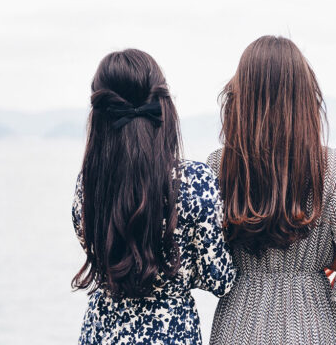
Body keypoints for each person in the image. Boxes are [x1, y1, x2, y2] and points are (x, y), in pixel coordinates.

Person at [206, 36, 336, 345]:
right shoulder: (331, 165)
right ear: (304, 96)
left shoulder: (218, 165)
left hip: (238, 320)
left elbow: (210, 260)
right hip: (312, 320)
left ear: (241, 95)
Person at [71, 49, 235, 344]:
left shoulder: (88, 185)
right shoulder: (195, 181)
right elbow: (219, 278)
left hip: (102, 330)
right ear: (164, 108)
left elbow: (99, 254)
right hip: (171, 331)